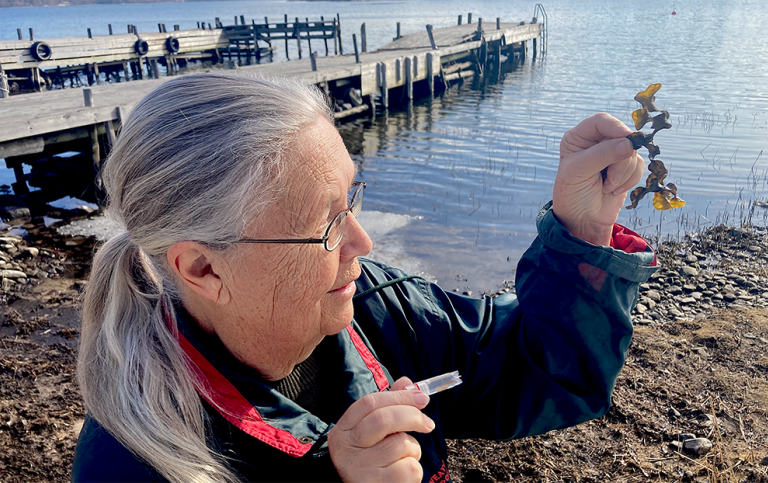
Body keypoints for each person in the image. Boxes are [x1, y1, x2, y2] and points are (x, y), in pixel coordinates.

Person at [71, 73, 657, 483]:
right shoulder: (138, 462)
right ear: (202, 268)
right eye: (326, 223)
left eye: (351, 197)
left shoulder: (373, 306)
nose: (362, 241)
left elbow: (541, 371)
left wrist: (582, 232)